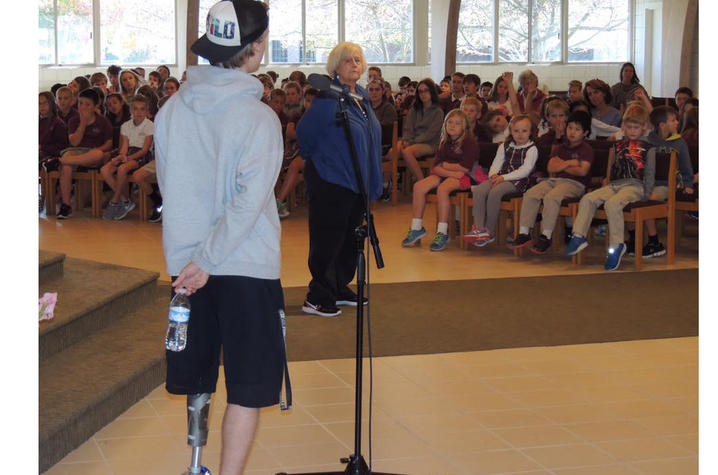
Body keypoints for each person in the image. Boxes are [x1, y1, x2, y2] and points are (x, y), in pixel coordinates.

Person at [155, 1, 288, 473]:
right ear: (254, 49)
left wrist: (191, 260)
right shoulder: (259, 119)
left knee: (198, 375)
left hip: (189, 268)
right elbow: (249, 204)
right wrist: (209, 258)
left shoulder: (171, 110)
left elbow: (170, 188)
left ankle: (196, 462)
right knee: (249, 385)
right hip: (244, 265)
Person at [296, 41, 382, 318]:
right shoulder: (327, 99)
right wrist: (323, 160)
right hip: (330, 180)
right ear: (335, 67)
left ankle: (338, 285)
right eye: (347, 61)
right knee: (327, 239)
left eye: (357, 59)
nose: (354, 64)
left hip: (355, 181)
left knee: (349, 239)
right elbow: (304, 134)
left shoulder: (361, 99)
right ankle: (317, 296)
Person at [565, 105, 656, 271]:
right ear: (623, 127)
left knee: (612, 204)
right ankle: (579, 235)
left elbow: (650, 172)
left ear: (644, 127)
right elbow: (612, 168)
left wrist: (647, 194)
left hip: (635, 186)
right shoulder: (617, 145)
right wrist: (606, 183)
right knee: (588, 198)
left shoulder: (648, 148)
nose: (632, 131)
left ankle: (617, 245)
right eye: (629, 127)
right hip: (615, 184)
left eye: (636, 127)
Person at [511, 111, 594, 254]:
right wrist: (569, 163)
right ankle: (524, 232)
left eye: (577, 129)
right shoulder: (560, 147)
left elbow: (582, 172)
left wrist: (561, 164)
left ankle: (546, 235)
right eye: (570, 128)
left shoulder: (586, 149)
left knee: (552, 196)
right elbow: (551, 167)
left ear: (585, 133)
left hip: (575, 184)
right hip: (554, 180)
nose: (572, 132)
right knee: (531, 193)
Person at [401, 109, 479, 251]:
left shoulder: (469, 142)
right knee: (419, 186)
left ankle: (442, 232)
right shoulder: (444, 142)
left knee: (443, 189)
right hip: (451, 175)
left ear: (464, 127)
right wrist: (450, 170)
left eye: (457, 123)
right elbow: (435, 167)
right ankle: (416, 227)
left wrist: (445, 166)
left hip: (468, 179)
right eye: (450, 122)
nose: (452, 126)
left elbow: (465, 169)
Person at [626, 105, 695, 257]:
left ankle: (654, 242)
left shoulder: (679, 143)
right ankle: (633, 238)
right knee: (630, 197)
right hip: (648, 182)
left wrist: (689, 185)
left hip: (668, 184)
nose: (677, 122)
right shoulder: (648, 140)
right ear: (662, 125)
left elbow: (686, 167)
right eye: (673, 120)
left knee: (651, 198)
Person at [463, 114, 538, 247]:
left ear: (531, 132)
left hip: (518, 181)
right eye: (516, 131)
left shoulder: (532, 149)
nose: (520, 134)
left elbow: (525, 170)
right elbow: (496, 164)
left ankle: (489, 231)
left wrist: (503, 178)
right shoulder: (504, 145)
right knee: (479, 190)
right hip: (500, 177)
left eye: (524, 131)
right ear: (511, 131)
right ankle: (479, 229)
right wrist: (493, 175)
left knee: (495, 192)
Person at [56, 88, 113, 219]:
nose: (83, 107)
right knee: (67, 166)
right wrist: (83, 122)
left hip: (93, 153)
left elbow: (109, 143)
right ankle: (66, 205)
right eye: (80, 103)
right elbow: (74, 142)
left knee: (98, 154)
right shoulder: (74, 120)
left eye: (87, 104)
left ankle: (59, 161)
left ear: (95, 106)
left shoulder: (103, 121)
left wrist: (98, 149)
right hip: (76, 152)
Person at [100, 94, 154, 220]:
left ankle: (114, 201)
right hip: (128, 153)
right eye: (135, 108)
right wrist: (122, 156)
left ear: (146, 111)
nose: (139, 112)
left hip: (142, 155)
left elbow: (145, 149)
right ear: (130, 110)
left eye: (142, 109)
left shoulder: (150, 125)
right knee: (105, 169)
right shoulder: (126, 125)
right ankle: (125, 201)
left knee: (122, 169)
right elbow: (124, 146)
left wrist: (127, 159)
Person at [397, 78, 444, 183]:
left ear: (432, 92)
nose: (423, 94)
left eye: (426, 91)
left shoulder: (438, 111)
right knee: (393, 151)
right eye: (420, 91)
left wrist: (411, 142)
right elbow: (408, 128)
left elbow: (430, 134)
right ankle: (387, 184)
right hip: (412, 141)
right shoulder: (415, 109)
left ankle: (421, 181)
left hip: (430, 144)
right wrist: (406, 140)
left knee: (407, 152)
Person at [39, 91, 69, 162]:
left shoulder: (58, 123)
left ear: (51, 104)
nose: (42, 106)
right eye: (39, 103)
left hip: (49, 155)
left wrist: (42, 147)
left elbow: (62, 147)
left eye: (45, 103)